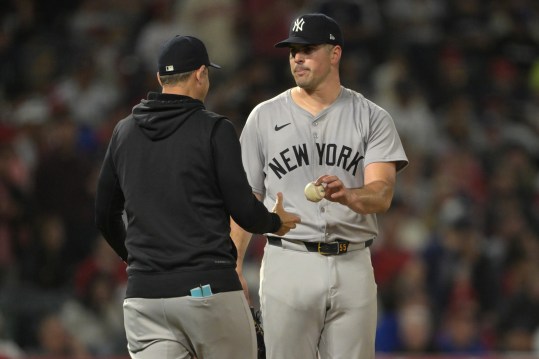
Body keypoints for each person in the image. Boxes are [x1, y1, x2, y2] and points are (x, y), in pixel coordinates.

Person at [95, 35, 300, 359]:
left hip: (144, 298)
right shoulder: (213, 129)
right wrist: (275, 221)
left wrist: (136, 260)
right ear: (201, 74)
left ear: (161, 78)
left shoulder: (124, 131)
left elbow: (104, 216)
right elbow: (244, 210)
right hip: (207, 291)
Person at [231, 13, 409, 359]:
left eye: (308, 49)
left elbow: (383, 193)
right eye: (293, 50)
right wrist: (232, 265)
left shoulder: (371, 117)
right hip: (288, 259)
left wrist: (350, 195)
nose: (297, 57)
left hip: (352, 260)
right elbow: (246, 199)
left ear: (335, 54)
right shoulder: (263, 117)